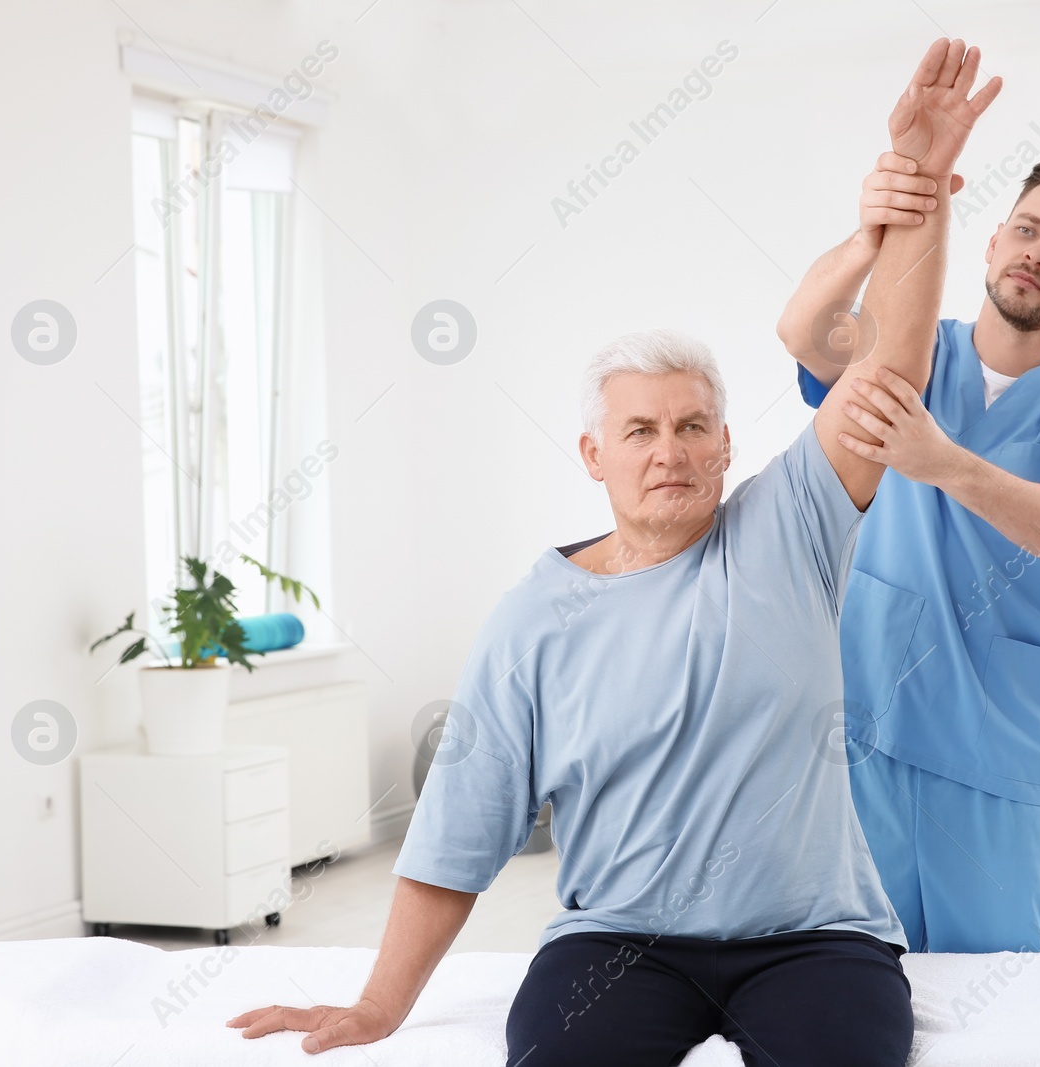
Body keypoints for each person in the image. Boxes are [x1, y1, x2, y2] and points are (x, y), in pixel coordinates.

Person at [226, 37, 1000, 1067]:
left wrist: (919, 186)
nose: (669, 451)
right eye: (640, 431)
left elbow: (889, 372)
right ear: (594, 453)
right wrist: (377, 1004)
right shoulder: (534, 618)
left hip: (814, 939)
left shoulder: (791, 525)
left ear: (727, 444)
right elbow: (459, 831)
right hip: (618, 941)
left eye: (693, 426)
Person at [774, 124, 1040, 955]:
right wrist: (873, 233)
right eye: (1026, 229)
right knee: (851, 992)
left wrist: (942, 461)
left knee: (1011, 1009)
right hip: (863, 739)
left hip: (1000, 764)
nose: (1038, 253)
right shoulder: (914, 353)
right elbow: (805, 331)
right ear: (989, 242)